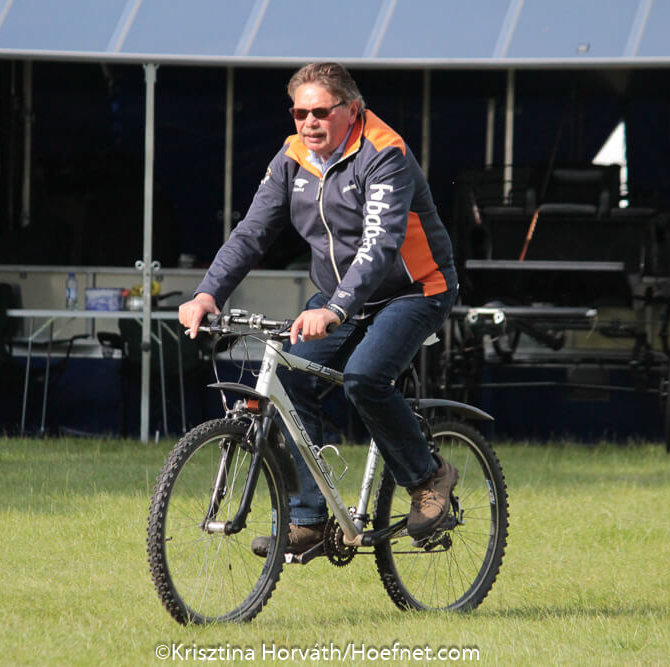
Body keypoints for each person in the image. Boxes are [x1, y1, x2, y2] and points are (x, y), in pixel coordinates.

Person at [177, 62, 460, 555]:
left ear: (352, 109)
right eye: (299, 113)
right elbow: (251, 233)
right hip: (340, 296)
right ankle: (308, 517)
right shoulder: (292, 157)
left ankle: (428, 476)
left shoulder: (383, 152)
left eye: (321, 112)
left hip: (414, 290)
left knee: (364, 378)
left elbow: (379, 245)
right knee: (288, 376)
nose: (309, 122)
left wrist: (336, 309)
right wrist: (208, 293)